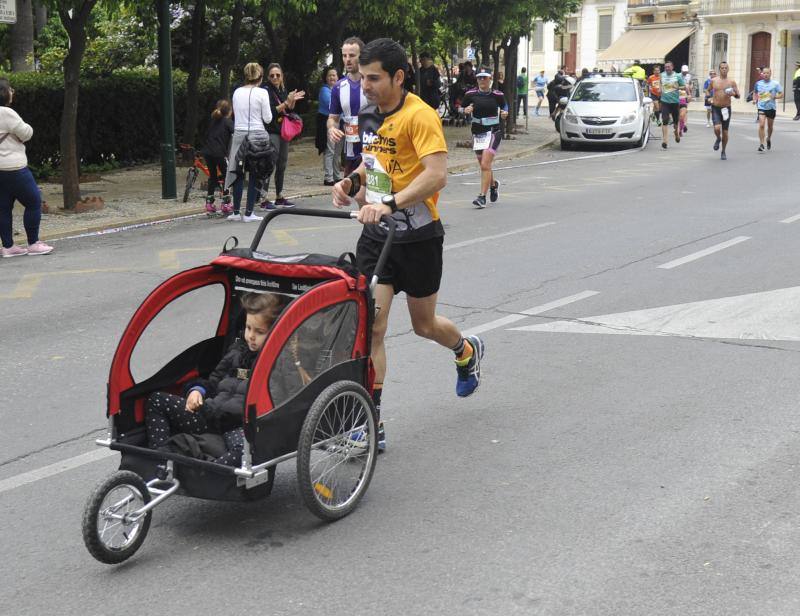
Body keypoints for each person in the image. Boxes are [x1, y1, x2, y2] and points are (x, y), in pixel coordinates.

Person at [331, 38, 486, 452]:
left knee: (424, 326)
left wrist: (390, 204)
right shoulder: (367, 113)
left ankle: (466, 349)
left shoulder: (421, 116)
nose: (365, 85)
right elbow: (371, 161)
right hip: (377, 239)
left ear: (398, 77)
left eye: (374, 78)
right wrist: (351, 182)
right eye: (362, 77)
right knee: (372, 326)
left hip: (418, 238)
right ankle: (369, 421)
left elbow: (436, 176)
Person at [145, 292, 288, 466]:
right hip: (210, 413)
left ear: (275, 333)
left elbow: (277, 400)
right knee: (157, 400)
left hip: (240, 425)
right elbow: (213, 381)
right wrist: (196, 391)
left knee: (245, 452)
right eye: (248, 328)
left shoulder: (278, 361)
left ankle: (209, 470)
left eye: (259, 332)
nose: (251, 336)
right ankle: (159, 461)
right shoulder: (237, 351)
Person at [0, 77, 53, 257]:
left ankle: (8, 246)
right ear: (4, 93)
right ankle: (33, 243)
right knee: (33, 202)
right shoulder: (6, 113)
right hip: (15, 169)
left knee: (3, 208)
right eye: (10, 89)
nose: (12, 91)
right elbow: (27, 133)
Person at [225, 62, 272, 222]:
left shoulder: (237, 92)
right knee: (255, 172)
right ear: (260, 76)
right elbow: (268, 118)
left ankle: (236, 211)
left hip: (239, 134)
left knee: (238, 172)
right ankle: (249, 212)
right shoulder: (262, 93)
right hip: (257, 135)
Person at [460, 67, 508, 208]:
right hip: (478, 133)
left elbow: (505, 105)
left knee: (485, 165)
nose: (482, 80)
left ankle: (482, 197)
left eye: (484, 77)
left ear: (490, 79)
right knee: (483, 165)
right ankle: (493, 185)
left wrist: (505, 112)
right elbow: (459, 108)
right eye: (479, 77)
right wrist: (465, 110)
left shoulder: (497, 95)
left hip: (493, 132)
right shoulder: (470, 94)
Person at [261, 63, 305, 209]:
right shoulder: (265, 91)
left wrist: (291, 101)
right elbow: (272, 111)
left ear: (282, 77)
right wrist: (286, 102)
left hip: (283, 131)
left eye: (277, 75)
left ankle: (279, 196)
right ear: (268, 77)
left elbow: (288, 110)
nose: (275, 77)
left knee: (282, 163)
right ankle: (263, 197)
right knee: (270, 163)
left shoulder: (282, 89)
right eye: (272, 75)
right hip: (272, 130)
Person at [328, 37, 369, 178]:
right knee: (355, 194)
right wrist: (332, 128)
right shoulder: (338, 87)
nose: (347, 60)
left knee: (372, 195)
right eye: (344, 56)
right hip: (351, 151)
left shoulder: (373, 82)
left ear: (362, 56)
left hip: (374, 149)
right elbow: (332, 118)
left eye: (352, 55)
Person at [201, 99, 234, 216]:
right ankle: (226, 203)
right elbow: (235, 134)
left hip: (208, 152)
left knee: (213, 177)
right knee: (227, 176)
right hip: (220, 153)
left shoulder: (211, 121)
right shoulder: (227, 122)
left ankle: (209, 204)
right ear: (229, 111)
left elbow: (205, 134)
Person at [708, 61, 740, 160]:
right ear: (719, 69)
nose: (724, 69)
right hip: (716, 107)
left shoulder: (731, 82)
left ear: (728, 69)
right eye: (722, 68)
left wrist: (733, 94)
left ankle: (723, 151)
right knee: (717, 128)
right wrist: (709, 97)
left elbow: (738, 96)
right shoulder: (714, 80)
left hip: (726, 108)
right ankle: (718, 138)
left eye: (726, 68)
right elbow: (708, 90)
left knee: (725, 132)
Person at [317, 66, 342, 186]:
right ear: (326, 78)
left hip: (341, 123)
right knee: (330, 150)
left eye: (334, 75)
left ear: (338, 77)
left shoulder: (340, 89)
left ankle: (337, 176)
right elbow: (330, 104)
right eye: (329, 75)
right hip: (330, 123)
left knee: (338, 151)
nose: (332, 77)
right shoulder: (324, 90)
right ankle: (328, 177)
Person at [754, 67, 783, 152]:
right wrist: (755, 99)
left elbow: (781, 94)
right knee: (761, 125)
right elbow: (755, 93)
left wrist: (775, 97)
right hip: (761, 107)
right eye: (764, 73)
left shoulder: (775, 84)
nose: (766, 75)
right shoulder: (758, 83)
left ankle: (768, 138)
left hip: (771, 108)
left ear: (770, 73)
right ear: (762, 74)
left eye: (767, 73)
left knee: (770, 126)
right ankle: (761, 144)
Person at [659, 61, 685, 149]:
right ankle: (665, 141)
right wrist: (660, 89)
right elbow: (660, 82)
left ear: (672, 67)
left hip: (674, 102)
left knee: (675, 121)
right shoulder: (662, 75)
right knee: (665, 120)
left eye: (669, 67)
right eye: (666, 67)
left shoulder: (677, 76)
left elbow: (683, 86)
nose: (667, 68)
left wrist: (677, 87)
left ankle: (676, 133)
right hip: (664, 101)